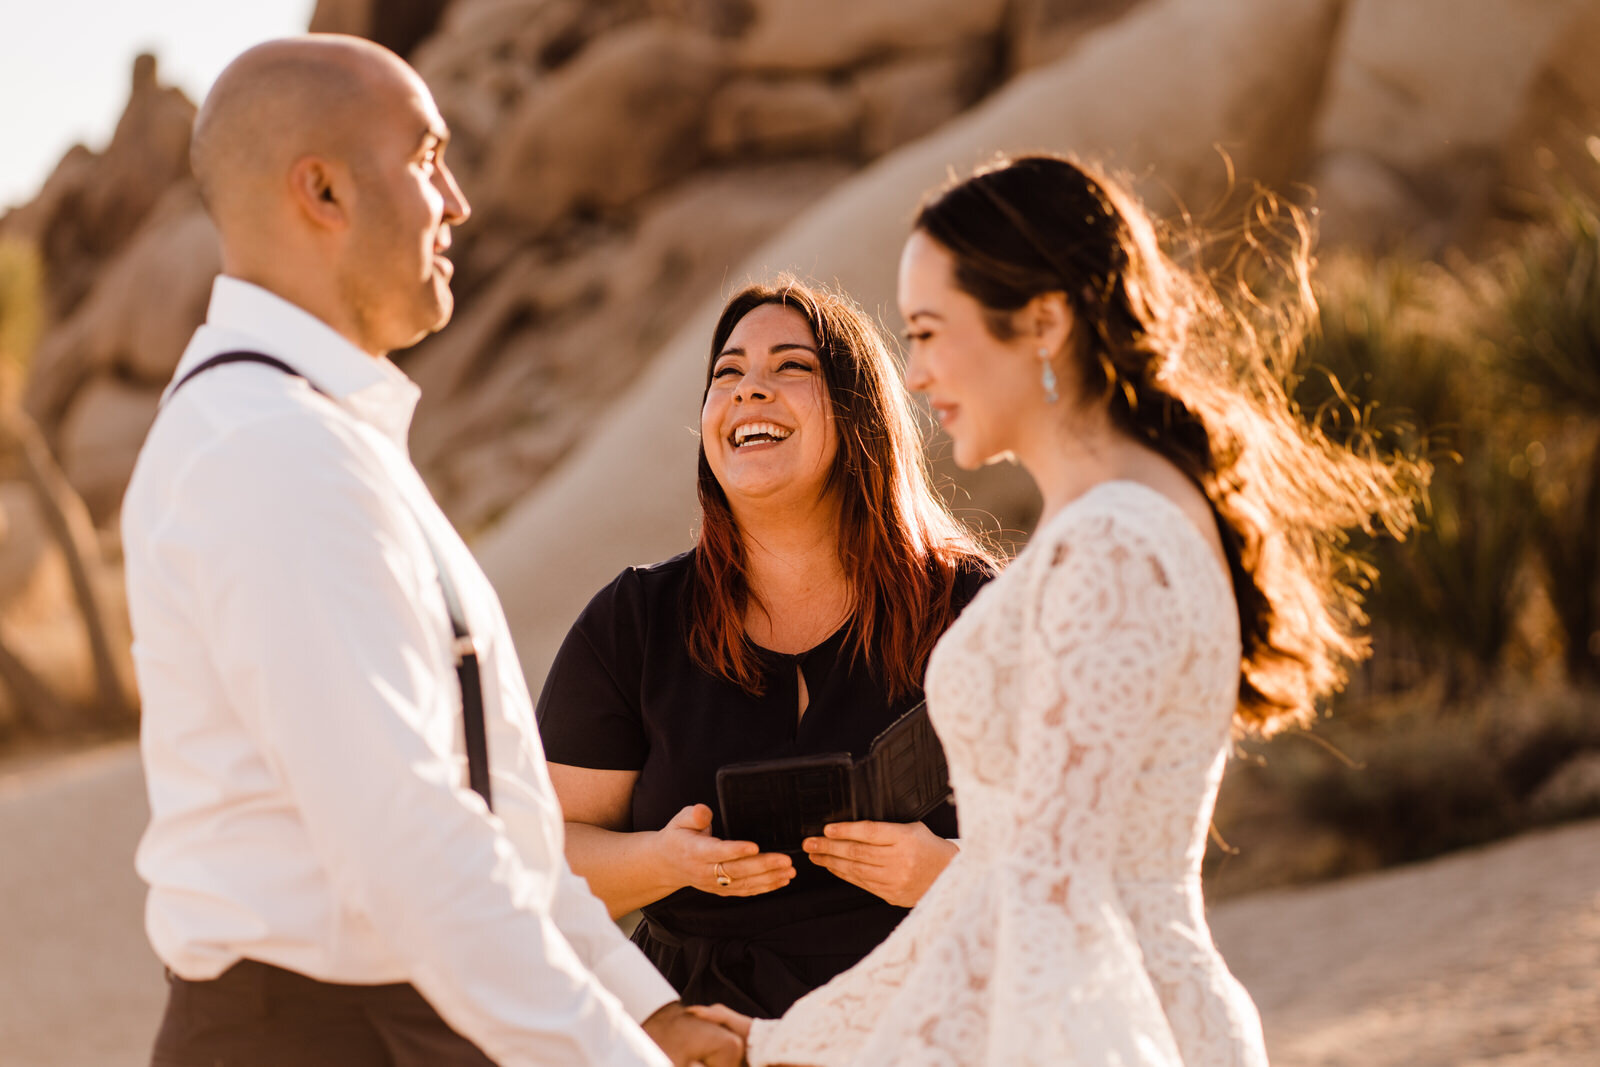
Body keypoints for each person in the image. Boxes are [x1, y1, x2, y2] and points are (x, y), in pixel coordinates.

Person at [692, 156, 1423, 1064]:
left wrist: (814, 1048)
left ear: (1042, 323)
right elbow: (1006, 876)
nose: (913, 374)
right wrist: (778, 1039)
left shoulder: (1113, 545)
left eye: (928, 331)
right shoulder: (1116, 520)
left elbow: (1040, 890)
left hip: (1091, 1026)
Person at [124, 35, 739, 1067]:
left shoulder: (317, 435)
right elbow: (411, 843)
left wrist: (640, 1007)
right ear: (321, 190)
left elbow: (491, 818)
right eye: (424, 159)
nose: (456, 201)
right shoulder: (273, 452)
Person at [535, 280, 996, 1019]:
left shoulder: (971, 611)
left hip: (924, 1024)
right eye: (727, 372)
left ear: (859, 414)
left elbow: (1076, 857)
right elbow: (539, 854)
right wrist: (661, 862)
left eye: (790, 367)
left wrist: (941, 873)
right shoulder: (633, 622)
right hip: (700, 1034)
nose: (750, 390)